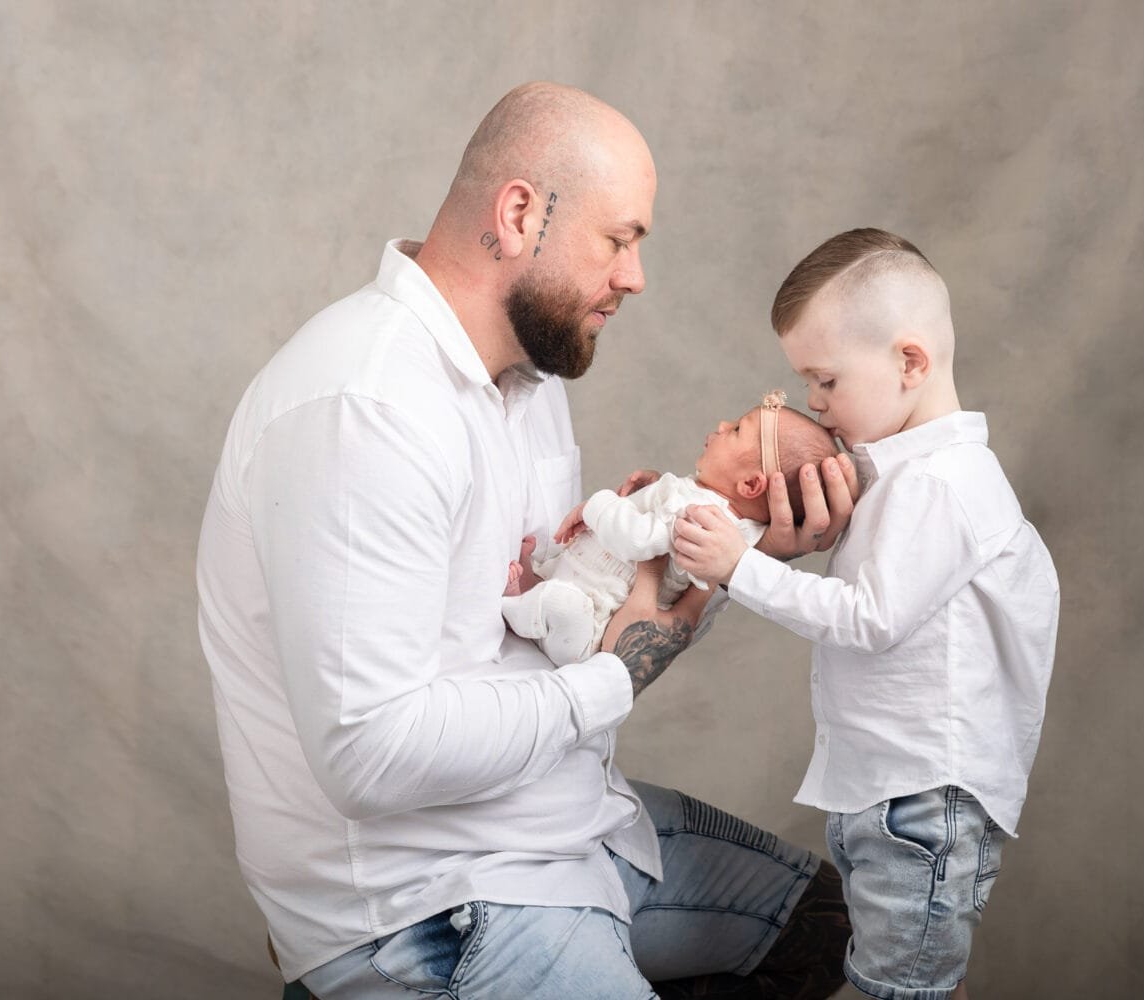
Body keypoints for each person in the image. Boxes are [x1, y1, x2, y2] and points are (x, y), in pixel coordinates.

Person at [195, 82, 858, 999]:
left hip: (563, 828)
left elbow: (597, 625)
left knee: (834, 931)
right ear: (517, 214)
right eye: (619, 239)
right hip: (431, 904)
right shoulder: (367, 410)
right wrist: (619, 676)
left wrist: (743, 559)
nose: (635, 277)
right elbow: (374, 754)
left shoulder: (530, 381)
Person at [675, 228, 1060, 999]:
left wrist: (738, 568)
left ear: (910, 362)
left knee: (897, 989)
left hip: (923, 797)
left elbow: (869, 619)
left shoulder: (944, 485)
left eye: (824, 381)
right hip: (883, 790)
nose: (815, 405)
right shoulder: (900, 479)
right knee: (884, 981)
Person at [503, 394, 837, 665]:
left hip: (587, 625)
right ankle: (532, 590)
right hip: (588, 586)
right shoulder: (733, 524)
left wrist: (597, 505)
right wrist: (656, 489)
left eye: (736, 430)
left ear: (751, 483)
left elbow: (638, 540)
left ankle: (513, 608)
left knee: (564, 605)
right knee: (555, 577)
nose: (722, 424)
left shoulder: (703, 519)